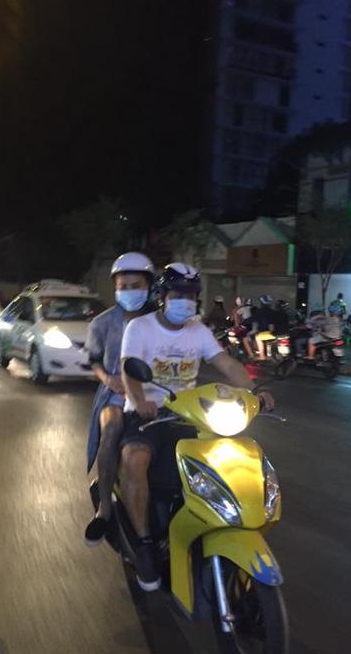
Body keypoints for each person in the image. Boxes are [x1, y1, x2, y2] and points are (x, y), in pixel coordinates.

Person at [120, 263, 274, 591]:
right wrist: (140, 400)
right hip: (148, 416)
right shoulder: (140, 328)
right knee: (135, 459)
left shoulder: (198, 331)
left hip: (190, 415)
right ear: (162, 296)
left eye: (190, 295)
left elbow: (227, 364)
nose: (185, 301)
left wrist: (256, 391)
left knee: (225, 461)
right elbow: (129, 370)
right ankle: (144, 543)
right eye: (178, 294)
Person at [84, 252, 155, 546]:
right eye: (123, 286)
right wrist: (108, 379)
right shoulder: (101, 323)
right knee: (112, 428)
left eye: (135, 286)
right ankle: (104, 508)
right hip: (115, 393)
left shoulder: (159, 321)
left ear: (148, 287)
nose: (129, 291)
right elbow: (94, 360)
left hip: (155, 393)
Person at [252, 294, 276, 360]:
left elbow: (252, 319)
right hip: (276, 333)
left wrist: (244, 322)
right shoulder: (273, 311)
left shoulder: (260, 311)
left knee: (257, 337)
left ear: (262, 302)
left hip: (269, 333)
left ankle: (262, 356)